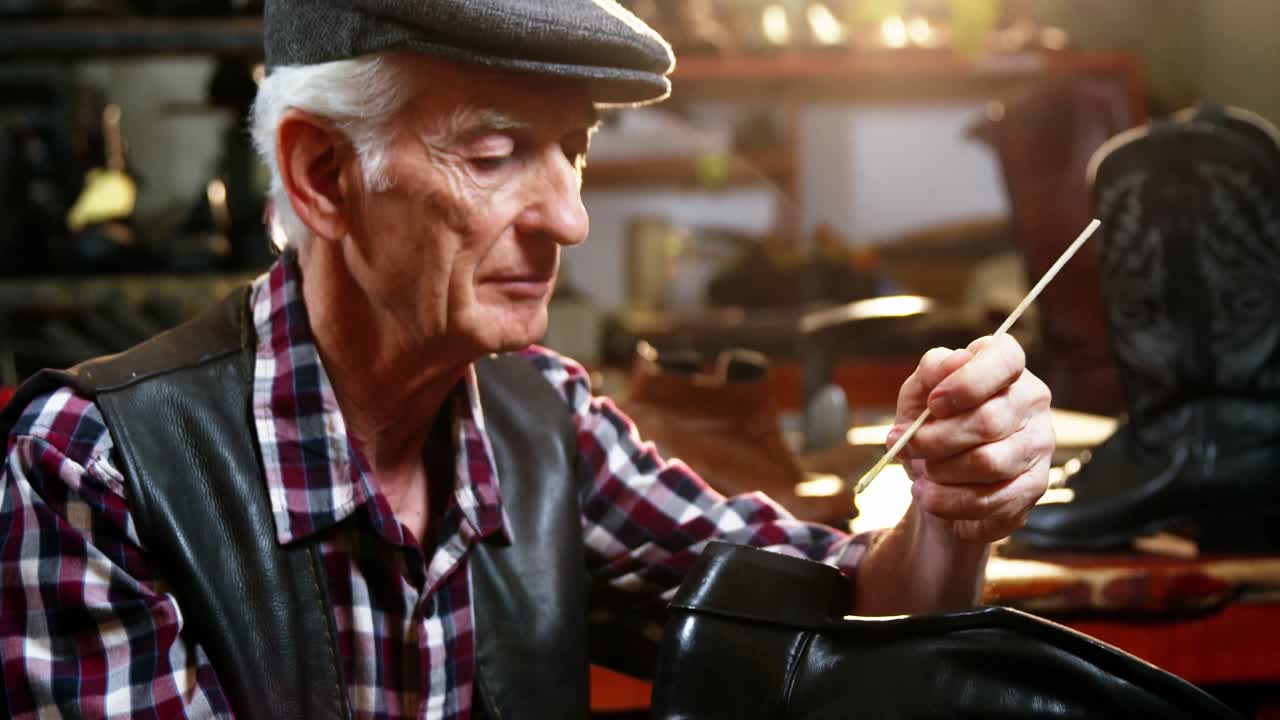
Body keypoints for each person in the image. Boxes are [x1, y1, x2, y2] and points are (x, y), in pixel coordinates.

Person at [0, 2, 1054, 718]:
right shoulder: (93, 471)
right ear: (323, 175)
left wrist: (950, 511)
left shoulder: (544, 421)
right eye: (495, 153)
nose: (571, 219)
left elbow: (847, 613)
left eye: (574, 151)